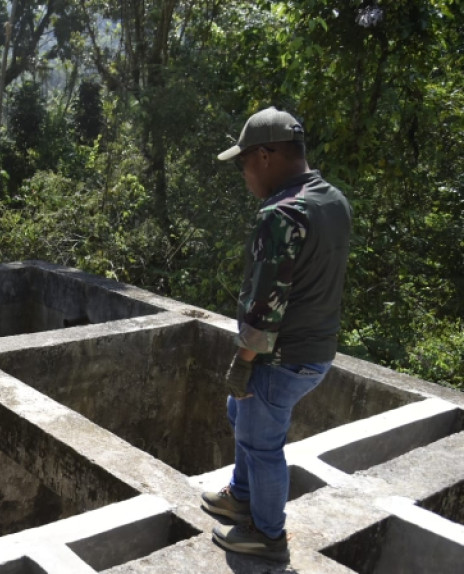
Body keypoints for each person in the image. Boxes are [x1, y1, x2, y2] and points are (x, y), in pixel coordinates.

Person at [201, 107, 352, 562]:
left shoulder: (282, 214)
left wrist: (241, 361)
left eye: (245, 164)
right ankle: (241, 495)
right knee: (241, 415)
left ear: (266, 156)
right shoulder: (331, 200)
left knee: (263, 446)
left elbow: (268, 304)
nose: (245, 176)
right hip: (316, 353)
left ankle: (267, 536)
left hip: (279, 356)